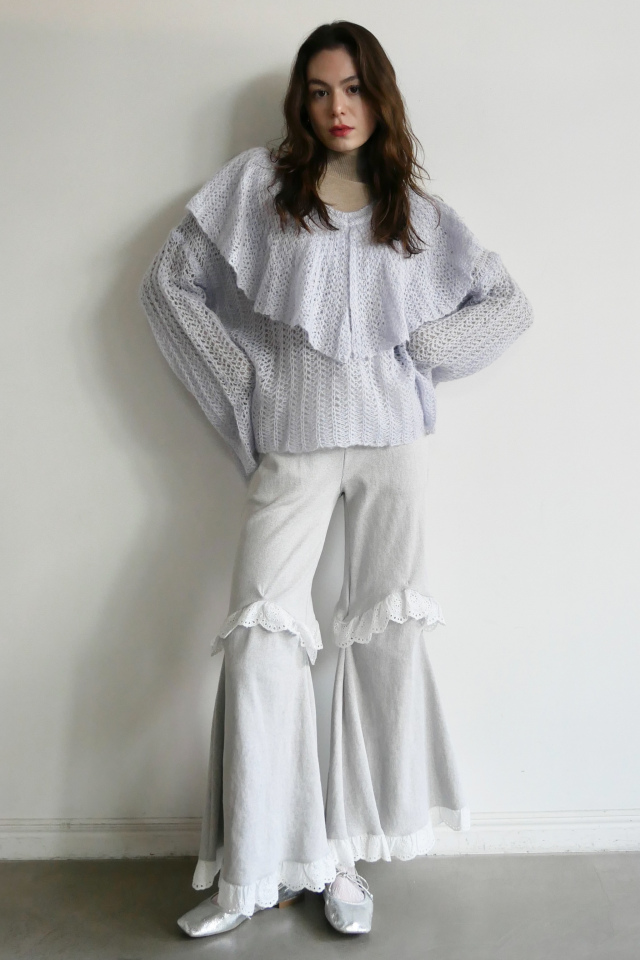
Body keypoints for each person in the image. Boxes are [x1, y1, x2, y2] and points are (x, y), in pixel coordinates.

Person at [139, 20, 533, 938]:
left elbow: (507, 304)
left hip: (393, 443)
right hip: (298, 441)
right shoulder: (258, 187)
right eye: (319, 91)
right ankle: (257, 869)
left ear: (378, 94)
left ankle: (343, 858)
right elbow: (168, 283)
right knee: (263, 639)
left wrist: (422, 352)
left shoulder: (415, 212)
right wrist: (244, 384)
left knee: (376, 641)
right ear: (301, 101)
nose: (337, 107)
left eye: (352, 88)